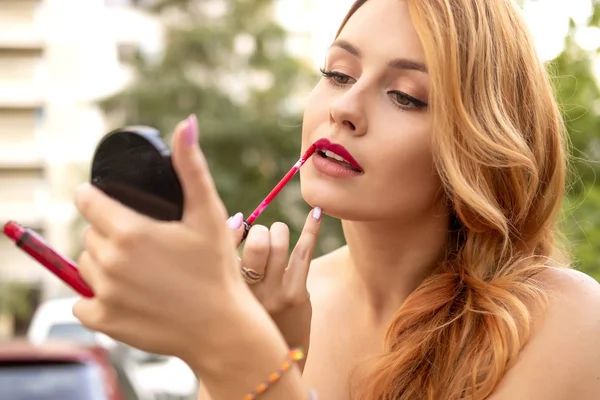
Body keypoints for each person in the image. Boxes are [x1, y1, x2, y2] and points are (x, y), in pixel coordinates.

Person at [72, 0, 600, 399]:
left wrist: (237, 351)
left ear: (480, 142)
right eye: (337, 73)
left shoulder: (567, 323)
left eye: (405, 96)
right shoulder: (282, 301)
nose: (344, 106)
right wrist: (257, 352)